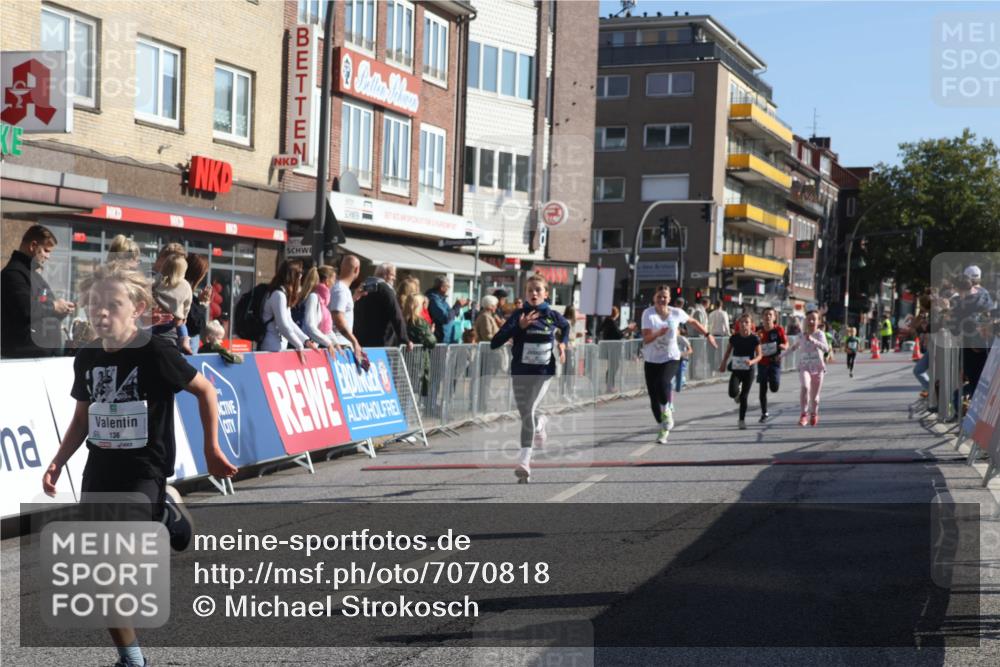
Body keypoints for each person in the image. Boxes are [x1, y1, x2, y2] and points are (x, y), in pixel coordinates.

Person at [41, 262, 237, 667]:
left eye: (113, 304)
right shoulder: (88, 356)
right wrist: (59, 461)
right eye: (95, 304)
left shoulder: (154, 351)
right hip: (99, 472)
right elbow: (82, 417)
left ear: (139, 308)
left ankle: (161, 510)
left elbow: (205, 390)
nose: (102, 312)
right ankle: (131, 658)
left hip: (143, 470)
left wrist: (211, 449)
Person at [491, 274, 570, 483]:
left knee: (528, 413)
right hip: (520, 371)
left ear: (545, 293)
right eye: (530, 290)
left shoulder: (552, 315)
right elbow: (495, 342)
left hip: (542, 373)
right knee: (526, 412)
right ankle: (541, 423)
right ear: (526, 293)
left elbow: (566, 327)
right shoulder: (518, 315)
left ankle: (525, 462)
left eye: (538, 290)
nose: (534, 293)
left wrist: (563, 344)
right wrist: (519, 327)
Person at [641, 285, 717, 444]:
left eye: (665, 297)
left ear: (669, 299)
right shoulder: (648, 314)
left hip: (671, 357)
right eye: (659, 296)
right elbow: (646, 339)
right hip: (651, 359)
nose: (662, 299)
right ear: (654, 297)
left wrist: (708, 334)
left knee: (663, 383)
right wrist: (657, 333)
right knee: (654, 402)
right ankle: (663, 428)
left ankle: (667, 411)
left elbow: (693, 322)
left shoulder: (676, 313)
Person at [1, 224, 75, 358]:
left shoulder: (34, 276)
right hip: (24, 359)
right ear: (33, 246)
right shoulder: (13, 274)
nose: (48, 257)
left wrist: (61, 310)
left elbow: (44, 311)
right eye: (46, 250)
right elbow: (25, 309)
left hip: (41, 356)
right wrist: (54, 306)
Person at [260, 259, 319, 361]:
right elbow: (283, 325)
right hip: (271, 348)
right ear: (293, 275)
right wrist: (299, 346)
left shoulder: (282, 293)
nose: (301, 277)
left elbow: (289, 322)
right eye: (300, 273)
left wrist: (305, 341)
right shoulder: (278, 295)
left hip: (278, 347)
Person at [782, 310, 830, 426]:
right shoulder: (801, 335)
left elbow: (826, 349)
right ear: (805, 321)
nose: (811, 321)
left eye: (814, 319)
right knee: (805, 386)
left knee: (815, 398)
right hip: (804, 367)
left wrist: (814, 340)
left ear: (818, 321)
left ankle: (814, 413)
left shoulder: (820, 334)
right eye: (809, 319)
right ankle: (804, 414)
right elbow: (793, 347)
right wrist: (781, 356)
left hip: (817, 368)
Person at [718, 313, 762, 429]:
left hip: (749, 370)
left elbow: (760, 355)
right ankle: (737, 393)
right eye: (741, 322)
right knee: (732, 393)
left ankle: (741, 420)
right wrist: (723, 363)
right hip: (737, 369)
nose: (744, 324)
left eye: (746, 322)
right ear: (738, 324)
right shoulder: (735, 337)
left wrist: (752, 362)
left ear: (751, 324)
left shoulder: (754, 338)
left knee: (744, 397)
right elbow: (728, 352)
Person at [353, 262, 411, 349]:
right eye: (393, 275)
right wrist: (405, 339)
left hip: (361, 340)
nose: (394, 278)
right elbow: (396, 314)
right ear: (386, 274)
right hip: (382, 342)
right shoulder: (385, 289)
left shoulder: (362, 286)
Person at [152, 253, 193, 353]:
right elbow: (187, 303)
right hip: (175, 318)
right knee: (181, 325)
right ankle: (184, 341)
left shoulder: (158, 279)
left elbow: (149, 289)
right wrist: (185, 316)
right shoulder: (185, 285)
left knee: (152, 329)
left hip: (157, 316)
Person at [329, 255, 365, 364]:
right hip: (339, 346)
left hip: (339, 344)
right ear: (357, 269)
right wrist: (354, 341)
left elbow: (340, 310)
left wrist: (354, 298)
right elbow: (337, 318)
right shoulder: (341, 290)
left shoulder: (342, 289)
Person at [755, 307, 788, 423]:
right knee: (762, 388)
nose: (767, 316)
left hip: (774, 362)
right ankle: (764, 413)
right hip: (762, 363)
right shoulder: (758, 331)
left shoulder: (778, 330)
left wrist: (783, 346)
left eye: (770, 315)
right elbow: (754, 345)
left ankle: (773, 381)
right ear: (762, 317)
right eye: (765, 314)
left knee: (774, 387)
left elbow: (786, 343)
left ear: (774, 317)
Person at [298, 266, 341, 353]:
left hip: (312, 347)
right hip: (304, 347)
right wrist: (328, 343)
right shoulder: (313, 297)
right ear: (327, 281)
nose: (334, 282)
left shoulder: (321, 301)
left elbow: (326, 329)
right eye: (334, 279)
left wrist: (336, 343)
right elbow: (310, 326)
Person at [404, 293, 436, 397]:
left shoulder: (404, 318)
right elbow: (431, 342)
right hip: (418, 359)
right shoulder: (418, 321)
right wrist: (431, 332)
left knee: (408, 386)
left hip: (409, 357)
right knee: (415, 388)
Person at [426, 275, 469, 344]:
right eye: (448, 287)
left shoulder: (441, 299)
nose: (449, 289)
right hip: (441, 339)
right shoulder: (434, 300)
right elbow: (445, 317)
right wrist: (457, 306)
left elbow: (451, 313)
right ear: (442, 288)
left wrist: (459, 306)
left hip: (447, 338)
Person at [183, 254, 210, 352]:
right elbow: (195, 325)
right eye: (204, 273)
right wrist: (203, 304)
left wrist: (199, 301)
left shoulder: (186, 289)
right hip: (187, 341)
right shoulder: (185, 290)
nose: (203, 277)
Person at [675, 325, 692, 392]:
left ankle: (682, 384)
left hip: (683, 359)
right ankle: (677, 387)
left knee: (681, 372)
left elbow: (690, 350)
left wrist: (682, 354)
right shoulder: (670, 339)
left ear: (679, 331)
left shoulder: (681, 338)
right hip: (674, 360)